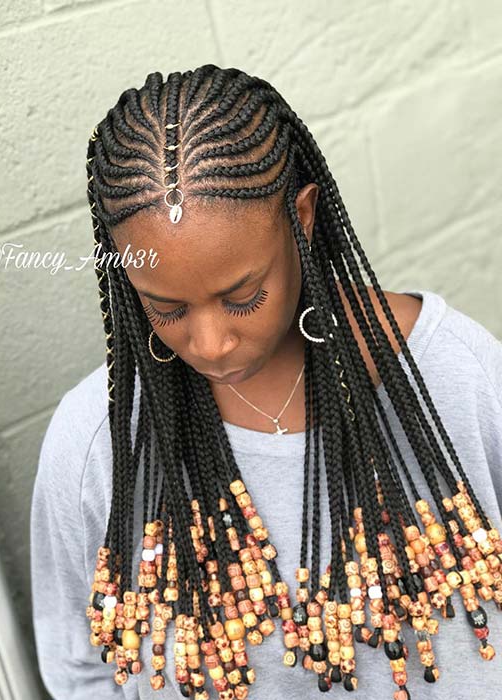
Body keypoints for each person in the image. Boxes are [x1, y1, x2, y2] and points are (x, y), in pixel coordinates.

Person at [30, 64, 502, 700]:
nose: (210, 344)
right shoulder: (96, 444)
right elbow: (81, 671)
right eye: (166, 310)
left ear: (301, 218)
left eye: (244, 297)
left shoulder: (457, 375)